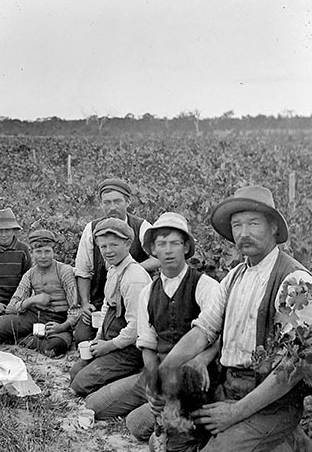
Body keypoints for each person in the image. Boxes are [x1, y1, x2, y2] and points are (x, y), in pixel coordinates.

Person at [159, 186, 312, 452]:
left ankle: (284, 437)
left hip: (271, 404)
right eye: (236, 225)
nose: (243, 233)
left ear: (274, 229)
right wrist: (164, 372)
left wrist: (234, 414)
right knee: (162, 431)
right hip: (228, 387)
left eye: (253, 223)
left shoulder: (295, 281)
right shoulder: (234, 277)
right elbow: (203, 331)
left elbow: (292, 368)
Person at [84, 213, 221, 451]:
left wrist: (201, 359)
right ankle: (155, 412)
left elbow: (219, 334)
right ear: (153, 250)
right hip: (157, 370)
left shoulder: (205, 286)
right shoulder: (149, 291)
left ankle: (178, 426)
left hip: (191, 380)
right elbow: (147, 343)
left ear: (186, 247)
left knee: (154, 432)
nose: (168, 250)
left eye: (174, 243)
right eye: (161, 244)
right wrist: (152, 381)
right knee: (96, 406)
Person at [70, 218, 151, 396]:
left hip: (130, 349)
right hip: (111, 342)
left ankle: (129, 378)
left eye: (114, 245)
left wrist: (109, 346)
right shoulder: (114, 269)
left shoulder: (134, 277)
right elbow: (107, 305)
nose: (108, 251)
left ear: (128, 243)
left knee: (80, 385)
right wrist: (99, 338)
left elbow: (136, 328)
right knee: (74, 373)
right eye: (103, 246)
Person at [74, 178, 160, 343]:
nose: (112, 207)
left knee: (131, 333)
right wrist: (85, 303)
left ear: (128, 202)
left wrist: (128, 270)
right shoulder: (91, 229)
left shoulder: (141, 226)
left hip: (134, 297)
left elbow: (159, 257)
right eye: (107, 202)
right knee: (81, 338)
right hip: (102, 302)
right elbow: (83, 270)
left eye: (117, 201)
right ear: (101, 204)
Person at [0, 229, 79, 357]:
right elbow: (12, 307)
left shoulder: (64, 271)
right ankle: (31, 338)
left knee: (52, 349)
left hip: (59, 320)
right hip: (33, 316)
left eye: (47, 251)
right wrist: (33, 300)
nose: (43, 256)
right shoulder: (30, 274)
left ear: (54, 252)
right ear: (32, 253)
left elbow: (75, 308)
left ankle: (26, 339)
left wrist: (63, 326)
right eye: (38, 252)